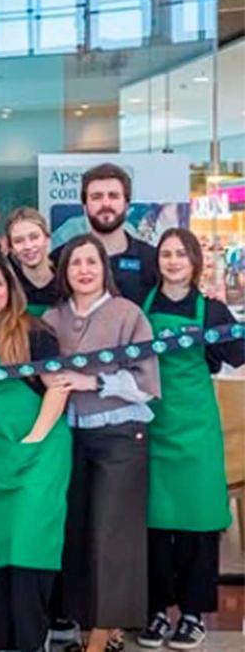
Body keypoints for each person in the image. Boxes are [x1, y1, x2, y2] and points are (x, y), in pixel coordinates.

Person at [42, 234, 160, 652]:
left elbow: (146, 385)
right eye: (75, 263)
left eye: (92, 262)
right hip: (71, 438)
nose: (84, 270)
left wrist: (95, 381)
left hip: (121, 436)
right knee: (76, 533)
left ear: (104, 269)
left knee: (114, 536)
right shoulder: (52, 320)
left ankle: (102, 635)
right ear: (65, 271)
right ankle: (83, 623)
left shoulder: (128, 315)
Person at [0, 253, 72, 652]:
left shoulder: (33, 332)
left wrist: (34, 440)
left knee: (30, 552)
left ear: (10, 291)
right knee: (5, 549)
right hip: (0, 457)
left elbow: (58, 388)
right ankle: (1, 636)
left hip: (39, 458)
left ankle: (29, 641)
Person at [137, 228, 242, 650]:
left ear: (196, 261)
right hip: (152, 428)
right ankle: (158, 611)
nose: (173, 261)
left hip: (196, 436)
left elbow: (235, 356)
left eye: (182, 254)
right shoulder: (140, 308)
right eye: (166, 254)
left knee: (199, 527)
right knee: (155, 526)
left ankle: (194, 615)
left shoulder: (213, 312)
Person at [48, 163, 158, 306]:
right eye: (96, 197)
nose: (105, 203)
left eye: (113, 196)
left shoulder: (151, 260)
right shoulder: (60, 259)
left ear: (126, 204)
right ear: (84, 206)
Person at [5, 208, 60, 316]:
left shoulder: (66, 279)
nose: (28, 246)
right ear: (11, 248)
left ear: (47, 239)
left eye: (34, 237)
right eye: (18, 241)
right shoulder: (8, 286)